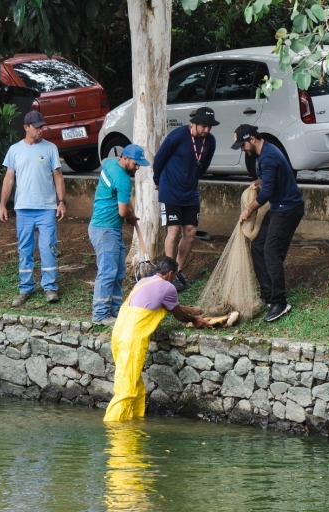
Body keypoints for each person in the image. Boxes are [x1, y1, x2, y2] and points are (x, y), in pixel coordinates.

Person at [104, 257, 209, 422]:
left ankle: (134, 421)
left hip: (118, 335)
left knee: (134, 383)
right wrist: (195, 320)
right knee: (126, 390)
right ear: (169, 274)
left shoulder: (143, 282)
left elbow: (169, 306)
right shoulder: (168, 286)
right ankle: (114, 430)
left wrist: (193, 311)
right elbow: (178, 314)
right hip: (132, 339)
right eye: (174, 276)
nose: (174, 279)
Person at [233, 124, 305, 323]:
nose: (241, 148)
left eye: (243, 144)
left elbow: (266, 195)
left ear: (253, 140)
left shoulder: (268, 156)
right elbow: (269, 182)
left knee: (271, 251)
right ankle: (268, 294)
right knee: (258, 245)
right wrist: (259, 181)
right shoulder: (263, 152)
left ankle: (280, 301)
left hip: (288, 210)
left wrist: (248, 210)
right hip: (279, 208)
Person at [0, 110, 67, 307]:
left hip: (47, 208)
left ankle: (50, 287)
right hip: (23, 209)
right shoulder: (14, 150)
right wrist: (3, 205)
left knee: (48, 247)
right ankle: (26, 288)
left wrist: (61, 201)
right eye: (36, 127)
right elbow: (9, 179)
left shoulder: (50, 148)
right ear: (26, 128)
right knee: (25, 249)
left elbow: (58, 176)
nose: (40, 130)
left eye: (42, 126)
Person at [152, 106, 219, 291]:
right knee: (173, 231)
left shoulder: (210, 141)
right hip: (170, 190)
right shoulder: (178, 136)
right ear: (194, 123)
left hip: (190, 192)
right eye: (203, 126)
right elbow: (159, 159)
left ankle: (179, 271)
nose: (206, 130)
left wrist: (192, 178)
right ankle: (168, 274)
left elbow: (203, 165)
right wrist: (157, 179)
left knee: (190, 233)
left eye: (209, 127)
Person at [90, 143, 150, 326]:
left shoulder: (110, 164)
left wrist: (128, 214)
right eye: (135, 163)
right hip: (105, 229)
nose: (138, 167)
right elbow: (123, 212)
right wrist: (132, 217)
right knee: (108, 271)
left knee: (119, 271)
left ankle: (115, 309)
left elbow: (106, 159)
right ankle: (100, 314)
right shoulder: (123, 180)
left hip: (106, 228)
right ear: (125, 158)